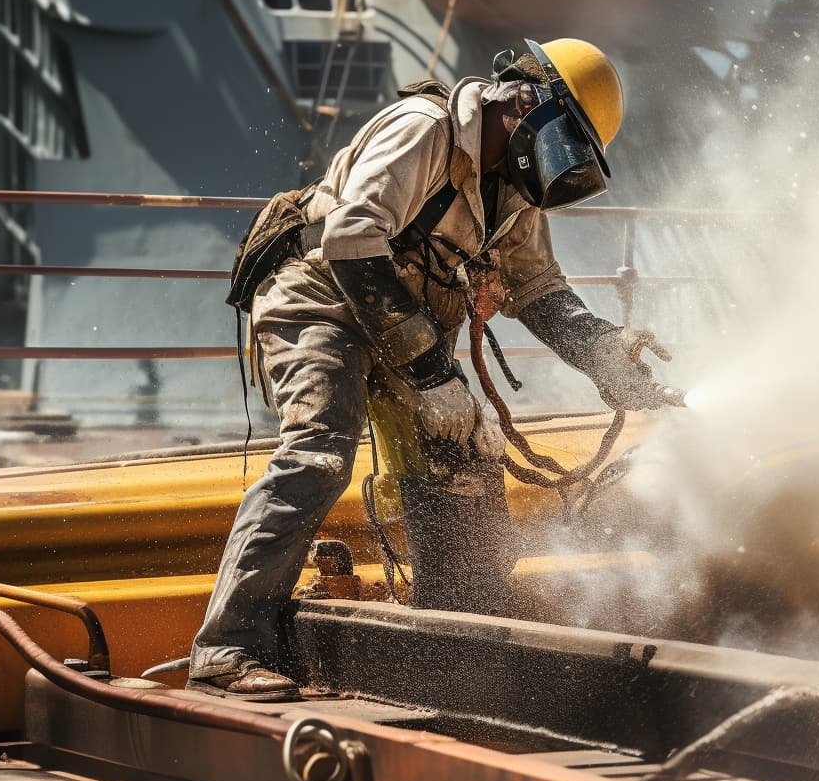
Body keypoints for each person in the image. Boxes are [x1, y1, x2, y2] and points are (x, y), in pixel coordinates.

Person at [187, 38, 682, 701]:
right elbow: (352, 241)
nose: (558, 163)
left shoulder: (514, 189)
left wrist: (604, 352)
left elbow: (537, 292)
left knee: (465, 465)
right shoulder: (427, 130)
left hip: (404, 328)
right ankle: (226, 649)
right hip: (320, 301)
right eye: (563, 141)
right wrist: (431, 376)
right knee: (319, 454)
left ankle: (457, 646)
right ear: (525, 102)